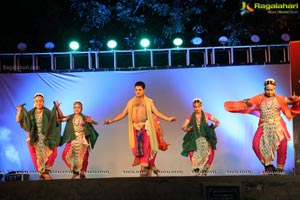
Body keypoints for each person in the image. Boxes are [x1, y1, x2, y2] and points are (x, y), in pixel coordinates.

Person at [224, 78, 300, 174]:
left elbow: (291, 101)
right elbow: (248, 103)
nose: (269, 91)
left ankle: (280, 168)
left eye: (271, 89)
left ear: (275, 89)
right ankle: (268, 166)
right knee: (255, 144)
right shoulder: (259, 98)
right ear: (264, 89)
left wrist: (295, 99)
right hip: (264, 125)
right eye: (267, 89)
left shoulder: (280, 99)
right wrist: (243, 102)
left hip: (278, 125)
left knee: (283, 144)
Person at [104, 81, 176, 176]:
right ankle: (146, 169)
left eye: (139, 90)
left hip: (145, 128)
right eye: (136, 90)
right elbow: (122, 114)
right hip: (135, 129)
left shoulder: (148, 102)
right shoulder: (131, 102)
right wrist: (111, 121)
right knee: (136, 150)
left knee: (146, 148)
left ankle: (143, 169)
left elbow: (157, 113)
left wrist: (168, 118)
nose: (137, 92)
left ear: (144, 90)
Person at [16, 93, 63, 180]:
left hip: (46, 137)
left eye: (40, 101)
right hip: (33, 137)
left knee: (53, 152)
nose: (38, 103)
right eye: (36, 101)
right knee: (35, 155)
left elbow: (59, 117)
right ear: (34, 102)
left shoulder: (48, 112)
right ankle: (41, 173)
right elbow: (19, 120)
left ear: (43, 102)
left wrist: (57, 108)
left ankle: (46, 172)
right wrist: (19, 111)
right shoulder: (30, 113)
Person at [60, 100, 99, 179]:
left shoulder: (84, 117)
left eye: (78, 107)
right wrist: (58, 109)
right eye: (75, 107)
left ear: (81, 109)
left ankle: (82, 173)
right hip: (73, 138)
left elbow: (96, 123)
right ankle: (76, 171)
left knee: (84, 157)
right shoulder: (70, 117)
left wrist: (92, 121)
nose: (76, 109)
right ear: (73, 108)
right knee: (65, 155)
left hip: (82, 138)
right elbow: (61, 118)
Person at [181, 98, 220, 176]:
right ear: (193, 107)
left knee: (210, 152)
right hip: (194, 138)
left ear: (201, 106)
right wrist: (188, 129)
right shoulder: (190, 116)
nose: (197, 108)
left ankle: (205, 171)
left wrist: (213, 127)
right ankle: (196, 171)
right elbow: (183, 127)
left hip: (205, 137)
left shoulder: (206, 115)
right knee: (192, 152)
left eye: (198, 106)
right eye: (195, 107)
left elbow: (217, 121)